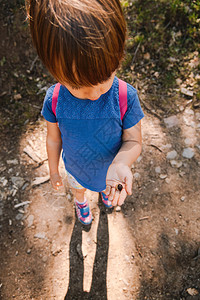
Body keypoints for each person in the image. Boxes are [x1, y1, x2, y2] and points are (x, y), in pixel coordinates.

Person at [26, 0, 144, 225]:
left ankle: (105, 195)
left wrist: (121, 163)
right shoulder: (55, 100)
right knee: (79, 191)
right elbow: (53, 139)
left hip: (110, 172)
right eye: (77, 85)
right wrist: (53, 170)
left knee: (107, 188)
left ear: (118, 58)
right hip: (76, 170)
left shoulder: (124, 97)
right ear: (52, 68)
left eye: (104, 79)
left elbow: (133, 141)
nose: (93, 94)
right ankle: (81, 204)